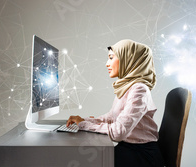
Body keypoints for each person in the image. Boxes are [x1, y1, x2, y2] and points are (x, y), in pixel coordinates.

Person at [66, 39, 164, 167]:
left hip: (143, 156)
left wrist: (84, 125)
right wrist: (84, 120)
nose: (107, 63)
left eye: (111, 58)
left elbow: (118, 132)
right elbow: (112, 118)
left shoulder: (139, 89)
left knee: (87, 161)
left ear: (129, 59)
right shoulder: (127, 86)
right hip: (130, 149)